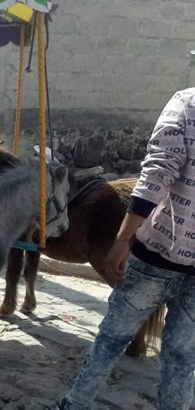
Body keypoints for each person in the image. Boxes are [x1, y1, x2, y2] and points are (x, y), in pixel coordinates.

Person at [51, 88, 195, 410]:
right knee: (183, 357)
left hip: (156, 256)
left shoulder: (186, 102)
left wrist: (122, 239)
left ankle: (75, 405)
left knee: (110, 340)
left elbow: (157, 174)